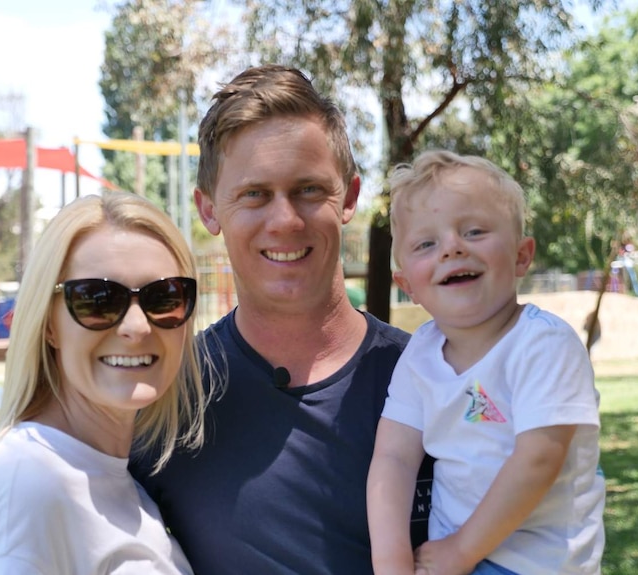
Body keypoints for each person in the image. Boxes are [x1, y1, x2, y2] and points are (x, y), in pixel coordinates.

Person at [130, 64, 433, 574]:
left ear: (350, 198)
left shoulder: (434, 377)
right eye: (254, 194)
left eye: (309, 190)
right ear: (209, 211)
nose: (285, 220)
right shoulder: (166, 399)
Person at [0, 193, 209, 574]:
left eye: (164, 297)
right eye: (97, 300)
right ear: (48, 324)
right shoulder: (22, 488)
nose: (137, 326)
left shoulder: (112, 481)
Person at [367, 150, 605, 575]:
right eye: (426, 243)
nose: (452, 248)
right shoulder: (420, 354)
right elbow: (394, 458)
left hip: (536, 564)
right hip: (451, 557)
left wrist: (461, 551)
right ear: (408, 285)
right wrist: (392, 562)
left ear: (521, 255)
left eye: (474, 231)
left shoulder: (543, 344)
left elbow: (538, 458)